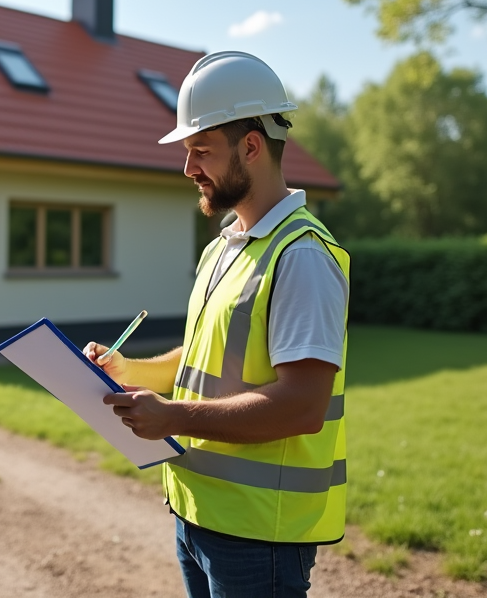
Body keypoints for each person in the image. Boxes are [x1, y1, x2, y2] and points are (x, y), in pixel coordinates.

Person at [84, 51, 349, 598]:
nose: (188, 169)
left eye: (200, 151)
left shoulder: (301, 257)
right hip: (197, 512)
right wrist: (128, 368)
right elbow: (204, 355)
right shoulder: (224, 248)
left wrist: (172, 417)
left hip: (259, 535)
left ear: (251, 146)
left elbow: (303, 405)